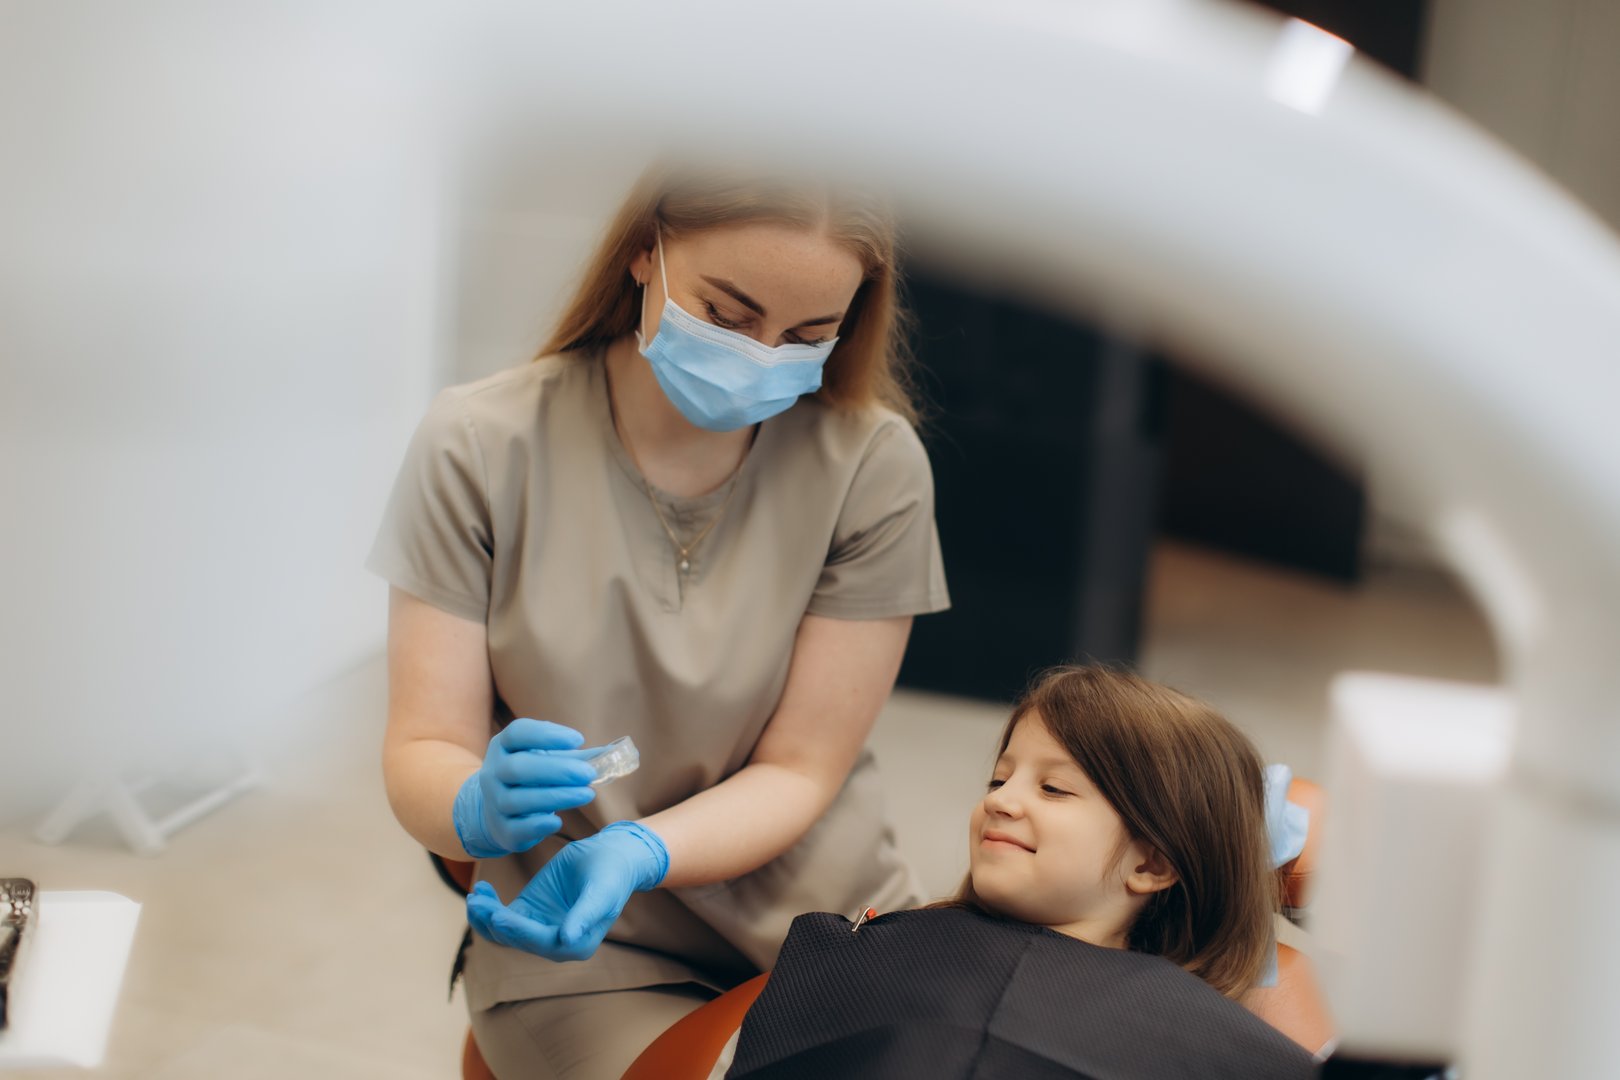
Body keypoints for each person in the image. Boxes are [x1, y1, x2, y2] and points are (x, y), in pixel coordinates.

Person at [368, 162, 950, 1079]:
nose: (760, 356)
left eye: (806, 335)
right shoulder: (479, 443)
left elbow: (803, 768)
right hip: (581, 943)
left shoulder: (871, 465)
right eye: (726, 314)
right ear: (646, 251)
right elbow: (421, 748)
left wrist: (642, 847)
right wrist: (471, 806)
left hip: (824, 927)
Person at [725, 665, 1318, 1079]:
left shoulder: (1214, 1044)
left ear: (1153, 862)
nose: (1002, 801)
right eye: (998, 778)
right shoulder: (861, 951)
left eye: (1054, 788)